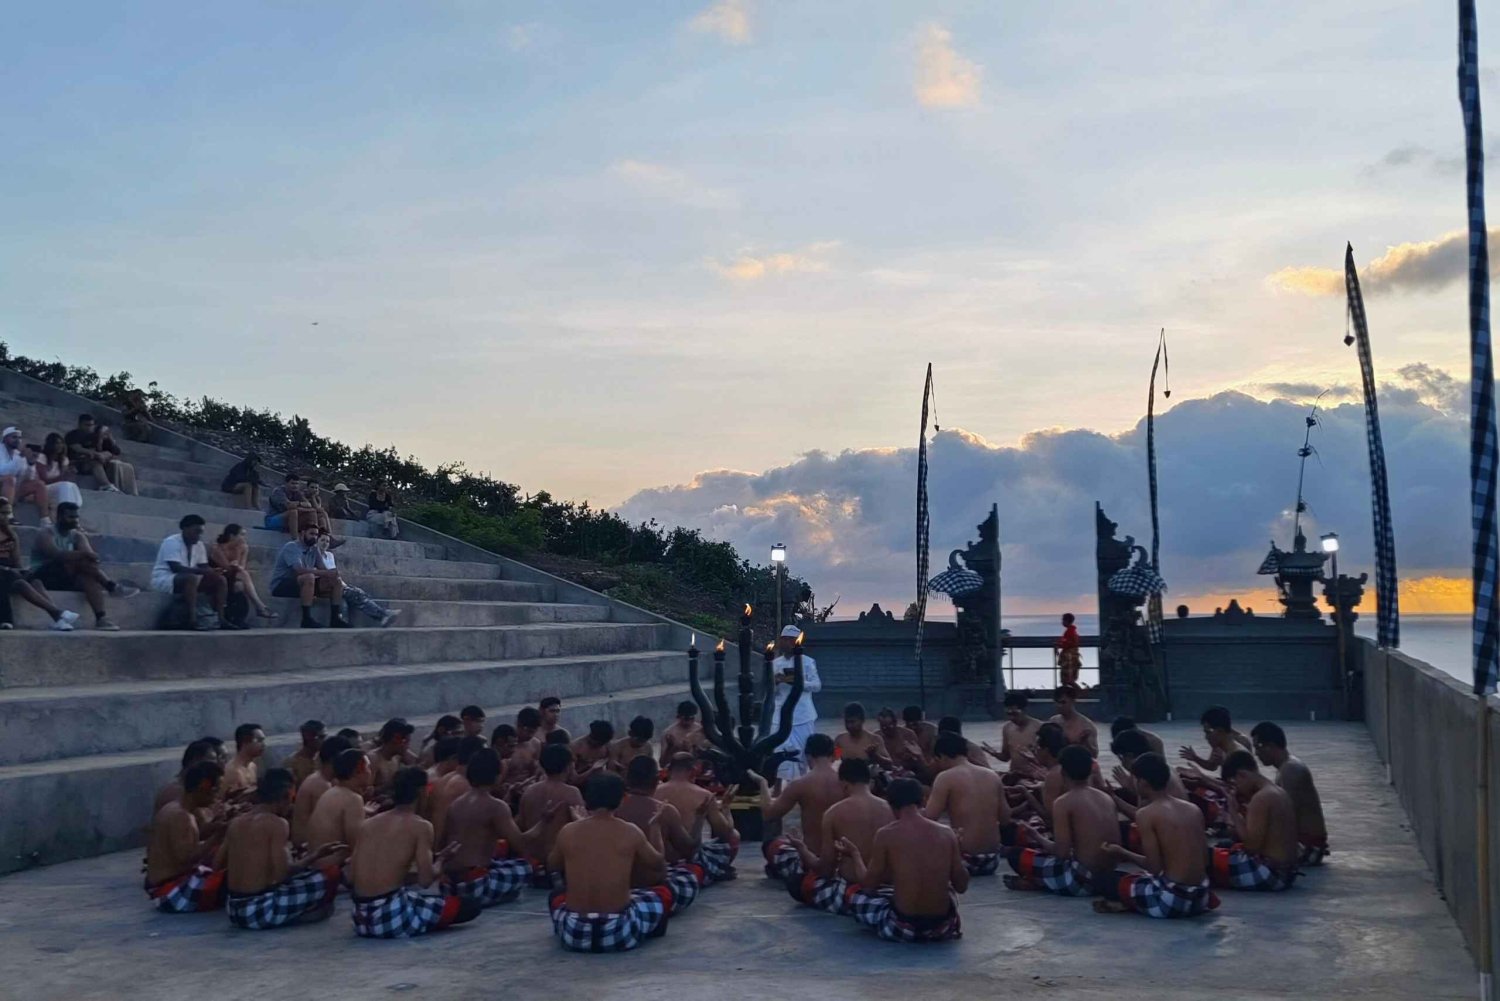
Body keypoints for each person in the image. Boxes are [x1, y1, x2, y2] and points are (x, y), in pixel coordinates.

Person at [547, 773, 701, 952]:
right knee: (659, 895)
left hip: (574, 932)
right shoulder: (630, 831)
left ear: (587, 799)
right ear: (623, 799)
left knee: (556, 895)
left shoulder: (568, 831)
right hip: (619, 931)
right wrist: (655, 827)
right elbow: (658, 864)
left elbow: (553, 867)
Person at [349, 766, 479, 938]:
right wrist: (442, 860)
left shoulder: (369, 824)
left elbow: (351, 876)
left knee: (418, 899)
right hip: (391, 919)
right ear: (423, 792)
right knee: (470, 906)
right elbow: (425, 881)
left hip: (361, 918)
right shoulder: (421, 826)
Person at [835, 778, 968, 942]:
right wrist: (957, 852)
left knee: (855, 898)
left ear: (890, 805)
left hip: (901, 927)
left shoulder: (886, 835)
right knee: (949, 892)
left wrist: (854, 854)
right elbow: (961, 886)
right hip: (942, 927)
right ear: (923, 801)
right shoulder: (947, 833)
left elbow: (868, 884)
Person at [1094, 752, 1220, 918]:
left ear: (1143, 782)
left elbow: (1154, 867)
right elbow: (1204, 859)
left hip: (1172, 901)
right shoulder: (1192, 809)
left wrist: (1121, 852)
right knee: (1140, 879)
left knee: (1105, 881)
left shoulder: (1146, 814)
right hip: (1201, 897)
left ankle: (1131, 903)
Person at [221, 769, 348, 930]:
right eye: (292, 799)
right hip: (258, 910)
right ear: (284, 797)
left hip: (233, 909)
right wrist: (315, 855)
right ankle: (296, 915)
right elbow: (282, 873)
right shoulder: (277, 824)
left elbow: (219, 862)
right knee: (329, 875)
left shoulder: (236, 822)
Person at [778, 757, 893, 914]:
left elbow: (824, 869)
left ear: (844, 784)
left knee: (797, 883)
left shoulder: (834, 813)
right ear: (869, 782)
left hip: (851, 889)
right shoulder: (891, 809)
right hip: (887, 886)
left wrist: (802, 848)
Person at [1004, 746, 1119, 896]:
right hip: (1106, 876)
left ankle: (1040, 882)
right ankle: (1043, 881)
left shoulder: (1064, 802)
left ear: (1063, 772)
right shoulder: (1106, 798)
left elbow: (1061, 853)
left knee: (1015, 855)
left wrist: (1036, 836)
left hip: (1079, 880)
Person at [441, 749, 540, 907]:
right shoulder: (496, 806)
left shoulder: (456, 804)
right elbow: (522, 845)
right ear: (496, 775)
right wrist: (544, 822)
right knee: (527, 866)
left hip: (448, 885)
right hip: (474, 884)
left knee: (501, 860)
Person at [30, 501, 139, 630]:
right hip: (42, 575)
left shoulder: (77, 536)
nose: (75, 520)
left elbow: (90, 558)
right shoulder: (46, 533)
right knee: (79, 560)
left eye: (76, 517)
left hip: (66, 575)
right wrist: (84, 555)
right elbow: (55, 554)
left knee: (88, 578)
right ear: (59, 517)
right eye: (70, 517)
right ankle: (111, 586)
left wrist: (88, 556)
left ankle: (101, 618)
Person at [756, 733, 844, 880]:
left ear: (808, 755)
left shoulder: (800, 784)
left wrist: (763, 784)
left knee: (770, 845)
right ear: (832, 754)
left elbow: (769, 814)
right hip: (841, 858)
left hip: (811, 858)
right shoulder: (846, 784)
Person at [1211, 750, 1300, 891]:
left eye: (1235, 784)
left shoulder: (1261, 798)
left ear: (1242, 775)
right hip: (1287, 873)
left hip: (1270, 874)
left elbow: (1251, 847)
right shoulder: (1277, 791)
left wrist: (1233, 812)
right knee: (1224, 845)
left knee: (1205, 859)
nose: (1237, 790)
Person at [145, 760, 227, 912]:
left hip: (168, 885)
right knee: (232, 879)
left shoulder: (177, 808)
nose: (217, 796)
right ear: (202, 789)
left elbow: (193, 835)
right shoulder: (181, 816)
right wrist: (218, 836)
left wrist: (219, 825)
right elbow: (186, 858)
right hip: (170, 891)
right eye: (215, 790)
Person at [925, 732, 1011, 875]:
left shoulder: (945, 778)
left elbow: (929, 819)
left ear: (942, 756)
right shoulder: (992, 775)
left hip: (964, 860)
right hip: (991, 860)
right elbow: (1005, 818)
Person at [1251, 721, 1329, 864]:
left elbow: (1285, 816)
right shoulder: (1286, 767)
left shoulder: (1291, 770)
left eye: (1258, 747)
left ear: (1271, 746)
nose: (1256, 753)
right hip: (1308, 844)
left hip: (1308, 848)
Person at [0, 498, 79, 631]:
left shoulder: (11, 535)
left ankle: (57, 619)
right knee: (19, 582)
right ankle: (58, 613)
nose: (6, 517)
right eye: (3, 513)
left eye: (8, 513)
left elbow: (16, 562)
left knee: (36, 581)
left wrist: (22, 570)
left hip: (9, 571)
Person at [518, 743, 586, 885]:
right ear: (569, 767)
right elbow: (581, 828)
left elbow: (521, 826)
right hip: (558, 868)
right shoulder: (571, 792)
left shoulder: (529, 791)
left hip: (532, 867)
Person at [151, 514, 234, 630]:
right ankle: (192, 620)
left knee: (220, 579)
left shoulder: (199, 545)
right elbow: (176, 568)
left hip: (190, 580)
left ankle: (222, 619)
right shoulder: (171, 542)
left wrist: (213, 571)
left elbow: (203, 566)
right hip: (166, 579)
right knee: (191, 578)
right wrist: (204, 571)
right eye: (196, 531)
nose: (198, 536)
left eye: (200, 533)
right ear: (185, 529)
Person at [271, 522, 348, 629]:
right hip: (282, 585)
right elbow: (299, 570)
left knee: (336, 581)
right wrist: (325, 573)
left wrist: (333, 575)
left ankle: (335, 619)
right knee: (309, 577)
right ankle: (306, 619)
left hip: (303, 584)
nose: (314, 537)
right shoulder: (292, 547)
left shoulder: (314, 549)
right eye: (311, 534)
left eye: (316, 535)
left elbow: (323, 569)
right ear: (302, 533)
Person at [315, 530, 399, 626]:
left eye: (327, 541)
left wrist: (343, 585)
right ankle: (382, 614)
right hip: (323, 586)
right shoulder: (313, 554)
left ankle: (382, 615)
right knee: (355, 594)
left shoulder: (330, 555)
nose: (325, 543)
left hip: (336, 584)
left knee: (357, 592)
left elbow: (335, 574)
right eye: (322, 540)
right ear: (317, 541)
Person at [771, 626, 822, 781]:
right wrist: (776, 681)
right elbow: (770, 689)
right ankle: (778, 789)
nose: (785, 643)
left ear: (795, 642)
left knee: (803, 754)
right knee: (779, 751)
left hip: (802, 715)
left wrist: (797, 681)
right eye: (783, 640)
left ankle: (805, 784)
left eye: (789, 640)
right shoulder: (775, 663)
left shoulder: (807, 662)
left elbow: (817, 685)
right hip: (780, 714)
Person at [290, 735, 353, 845]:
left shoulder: (329, 780)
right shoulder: (319, 784)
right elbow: (332, 822)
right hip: (307, 846)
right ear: (335, 758)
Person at [306, 747, 372, 853]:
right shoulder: (353, 799)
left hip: (317, 863)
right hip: (331, 867)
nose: (370, 772)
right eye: (368, 767)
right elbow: (357, 845)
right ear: (357, 772)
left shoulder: (332, 792)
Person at [208, 524, 275, 622]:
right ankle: (260, 606)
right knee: (242, 575)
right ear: (232, 536)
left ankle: (239, 617)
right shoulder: (218, 549)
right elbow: (227, 568)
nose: (244, 538)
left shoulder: (243, 547)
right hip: (218, 576)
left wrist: (238, 558)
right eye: (241, 535)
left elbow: (241, 567)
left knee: (239, 585)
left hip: (234, 576)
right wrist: (236, 566)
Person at [983, 690, 1046, 782]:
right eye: (1009, 714)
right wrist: (994, 754)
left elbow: (1048, 759)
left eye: (1015, 714)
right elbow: (1006, 757)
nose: (1012, 718)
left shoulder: (1039, 728)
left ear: (1024, 710)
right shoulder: (1007, 728)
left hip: (1034, 777)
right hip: (1014, 776)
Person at [64, 414, 136, 494]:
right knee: (94, 461)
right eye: (86, 425)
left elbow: (116, 452)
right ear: (80, 424)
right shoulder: (73, 435)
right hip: (76, 463)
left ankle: (127, 491)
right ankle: (106, 485)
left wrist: (110, 439)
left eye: (91, 425)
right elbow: (79, 449)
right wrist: (98, 454)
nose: (89, 427)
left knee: (120, 465)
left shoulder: (96, 436)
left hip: (98, 463)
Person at [0, 427, 51, 524]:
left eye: (19, 438)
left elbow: (29, 478)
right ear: (5, 438)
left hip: (13, 490)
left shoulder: (18, 454)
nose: (17, 440)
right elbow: (3, 471)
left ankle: (45, 520)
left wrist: (31, 463)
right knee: (10, 479)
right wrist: (21, 457)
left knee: (39, 484)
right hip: (2, 485)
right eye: (14, 437)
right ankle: (8, 515)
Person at [834, 703, 893, 768]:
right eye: (847, 722)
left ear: (862, 720)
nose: (849, 725)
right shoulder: (840, 741)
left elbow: (889, 764)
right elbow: (833, 759)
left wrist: (875, 756)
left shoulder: (874, 740)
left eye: (852, 722)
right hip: (845, 777)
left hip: (869, 777)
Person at [35, 433, 83, 512]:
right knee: (65, 485)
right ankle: (66, 510)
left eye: (62, 443)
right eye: (57, 443)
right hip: (43, 489)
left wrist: (70, 474)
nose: (60, 446)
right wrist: (63, 477)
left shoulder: (64, 460)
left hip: (58, 489)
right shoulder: (42, 457)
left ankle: (73, 509)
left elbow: (65, 480)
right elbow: (43, 481)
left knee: (72, 486)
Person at [1049, 684, 1098, 756]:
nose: (1059, 706)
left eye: (1063, 702)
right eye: (1057, 702)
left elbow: (1094, 755)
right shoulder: (1053, 722)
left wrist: (1086, 743)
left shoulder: (1086, 726)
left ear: (1073, 701)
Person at [370, 718, 418, 791]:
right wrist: (389, 785)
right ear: (395, 739)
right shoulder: (373, 759)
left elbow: (420, 766)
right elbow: (363, 793)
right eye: (407, 742)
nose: (408, 746)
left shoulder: (398, 755)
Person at [658, 701, 707, 766]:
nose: (689, 722)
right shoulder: (669, 733)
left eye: (692, 718)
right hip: (678, 770)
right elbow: (662, 764)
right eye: (686, 719)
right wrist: (671, 748)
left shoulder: (700, 729)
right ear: (679, 716)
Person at [282, 720, 326, 788]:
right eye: (321, 737)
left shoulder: (324, 760)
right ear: (308, 737)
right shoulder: (291, 762)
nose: (324, 741)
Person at [224, 723, 266, 794]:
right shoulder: (232, 770)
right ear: (245, 742)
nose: (264, 745)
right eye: (259, 741)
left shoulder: (252, 766)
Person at [1055, 612, 1083, 687]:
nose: (1062, 622)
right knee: (1069, 679)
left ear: (1067, 621)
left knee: (1067, 679)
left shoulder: (1069, 632)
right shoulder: (1072, 631)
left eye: (1063, 620)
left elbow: (1067, 643)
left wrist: (1059, 644)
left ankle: (1077, 693)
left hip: (1068, 658)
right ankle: (1075, 693)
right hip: (1071, 657)